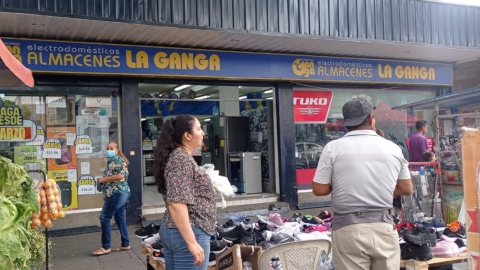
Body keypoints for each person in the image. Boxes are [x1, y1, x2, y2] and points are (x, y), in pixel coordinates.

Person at [312, 98, 413, 270]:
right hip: (384, 227)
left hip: (348, 228)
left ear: (347, 122)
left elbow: (319, 189)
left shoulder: (333, 148)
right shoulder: (393, 148)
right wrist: (383, 186)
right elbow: (406, 188)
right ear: (371, 119)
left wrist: (342, 184)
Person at [154, 114, 216, 269]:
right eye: (199, 129)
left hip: (181, 231)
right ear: (187, 136)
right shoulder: (180, 158)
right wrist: (192, 242)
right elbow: (176, 202)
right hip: (189, 231)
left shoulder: (179, 157)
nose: (203, 133)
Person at [92, 142, 131, 256]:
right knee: (119, 218)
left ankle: (105, 247)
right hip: (119, 193)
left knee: (104, 218)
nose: (108, 150)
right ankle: (125, 244)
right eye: (107, 148)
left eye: (111, 148)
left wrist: (103, 180)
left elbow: (120, 176)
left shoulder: (118, 160)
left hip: (118, 194)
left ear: (117, 150)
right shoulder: (112, 161)